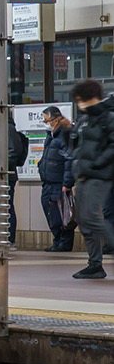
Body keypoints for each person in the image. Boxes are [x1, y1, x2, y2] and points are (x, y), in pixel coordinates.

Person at [69, 79, 114, 279]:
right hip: (84, 173)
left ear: (91, 97)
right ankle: (94, 264)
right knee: (83, 220)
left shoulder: (108, 116)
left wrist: (97, 162)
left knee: (92, 217)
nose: (80, 104)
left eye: (81, 100)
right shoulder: (84, 119)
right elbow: (77, 145)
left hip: (100, 174)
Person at [38, 106, 75, 251]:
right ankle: (58, 241)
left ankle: (64, 243)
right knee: (51, 214)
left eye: (47, 120)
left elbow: (69, 160)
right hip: (48, 182)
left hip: (59, 183)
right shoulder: (51, 136)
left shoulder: (65, 134)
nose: (47, 123)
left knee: (62, 214)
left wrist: (67, 183)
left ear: (55, 118)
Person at [8, 112, 29, 246]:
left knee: (7, 206)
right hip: (10, 173)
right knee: (8, 205)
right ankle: (9, 238)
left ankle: (10, 238)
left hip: (6, 174)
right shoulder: (10, 128)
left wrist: (3, 168)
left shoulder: (7, 128)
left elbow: (12, 151)